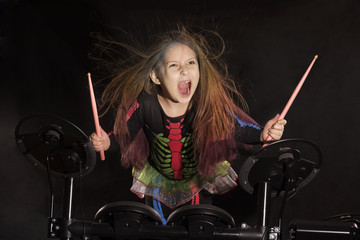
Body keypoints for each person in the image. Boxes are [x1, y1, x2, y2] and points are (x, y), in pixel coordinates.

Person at [89, 26, 286, 224]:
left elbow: (239, 128)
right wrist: (106, 141)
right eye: (174, 65)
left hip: (197, 181)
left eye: (191, 62)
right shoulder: (144, 105)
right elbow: (124, 134)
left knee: (199, 228)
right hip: (159, 182)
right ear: (156, 76)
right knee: (159, 232)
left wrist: (263, 134)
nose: (185, 70)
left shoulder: (207, 105)